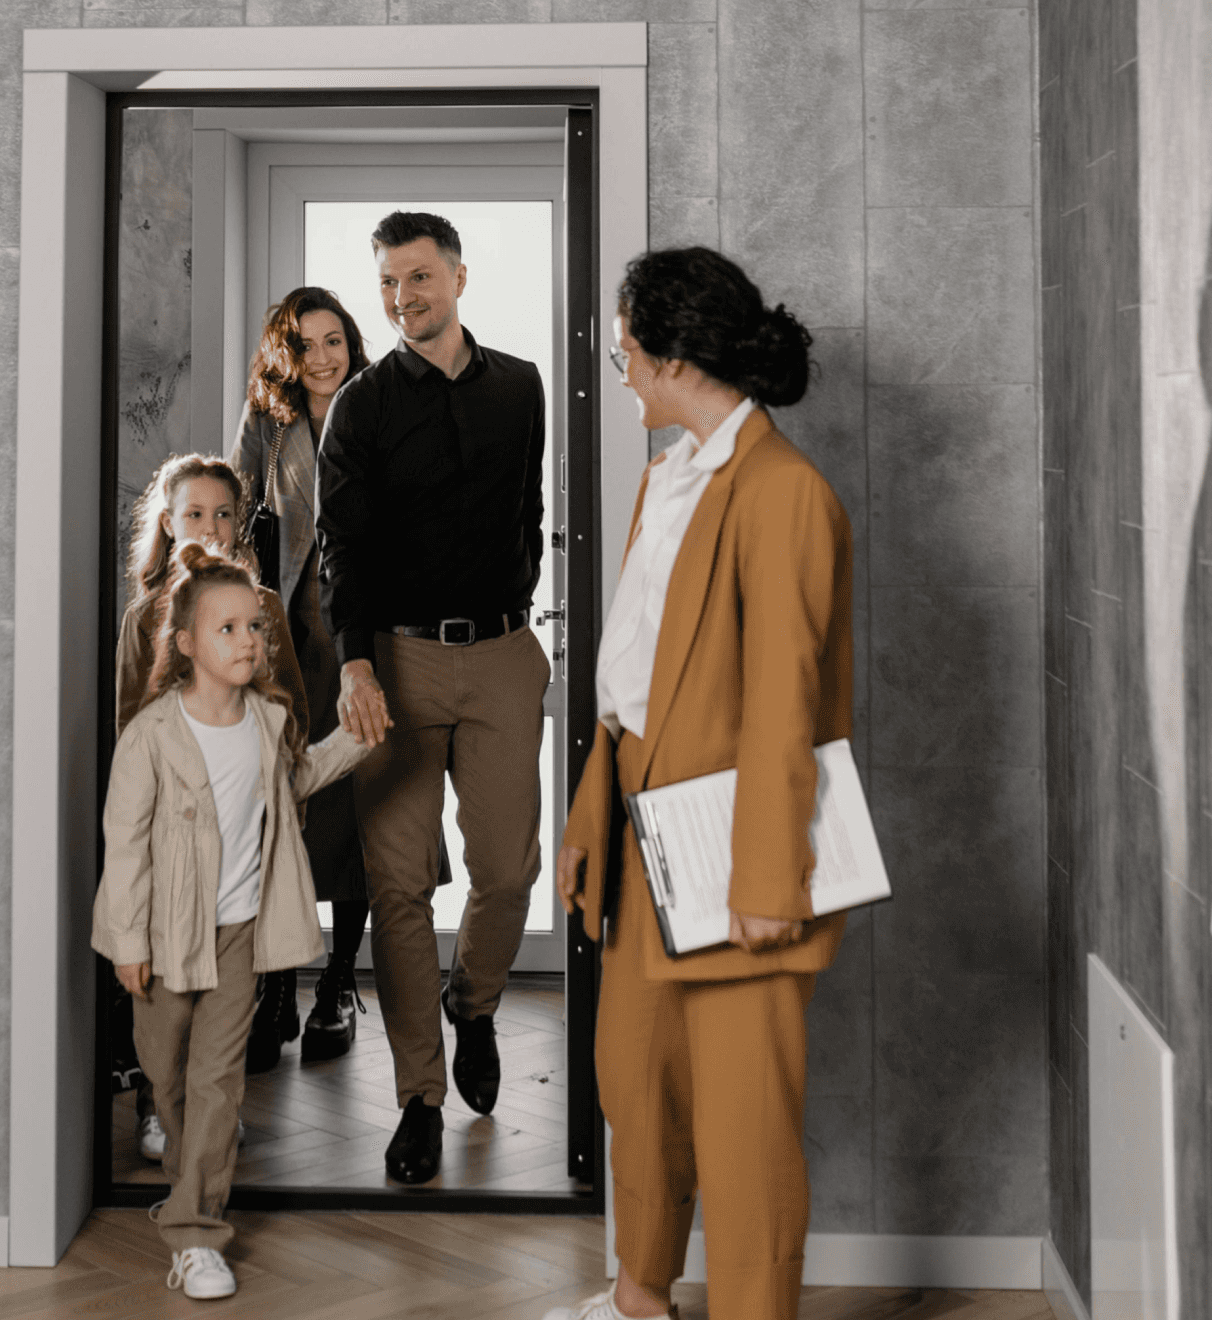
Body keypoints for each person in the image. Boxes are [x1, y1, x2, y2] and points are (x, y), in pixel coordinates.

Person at [548, 247, 849, 1320]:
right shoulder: (665, 476)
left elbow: (785, 703)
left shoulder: (785, 492)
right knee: (637, 1084)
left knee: (742, 1120)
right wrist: (588, 817)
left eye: (625, 347)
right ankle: (639, 1300)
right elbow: (627, 680)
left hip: (733, 848)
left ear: (673, 354)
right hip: (639, 830)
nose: (615, 365)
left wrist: (769, 878)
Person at [316, 211, 551, 1184]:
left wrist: (520, 604)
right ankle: (419, 1094)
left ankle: (477, 1002)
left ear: (456, 275)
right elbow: (343, 549)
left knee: (508, 866)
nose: (401, 297)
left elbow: (530, 509)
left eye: (417, 277)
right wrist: (356, 666)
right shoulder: (361, 408)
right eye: (386, 282)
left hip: (502, 651)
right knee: (401, 884)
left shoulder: (523, 387)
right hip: (396, 666)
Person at [92, 543, 371, 1302]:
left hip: (239, 933)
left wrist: (354, 741)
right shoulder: (151, 736)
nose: (249, 640)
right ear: (185, 644)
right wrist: (127, 943)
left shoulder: (270, 722)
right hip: (161, 940)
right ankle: (189, 1181)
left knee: (218, 1085)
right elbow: (125, 845)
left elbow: (298, 780)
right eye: (228, 628)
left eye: (255, 626)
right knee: (169, 1077)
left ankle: (195, 1233)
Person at [231, 286, 429, 1068]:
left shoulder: (382, 406)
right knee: (283, 809)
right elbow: (237, 520)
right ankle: (277, 986)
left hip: (362, 637)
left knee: (356, 813)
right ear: (285, 351)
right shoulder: (266, 425)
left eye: (335, 340)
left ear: (352, 343)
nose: (322, 357)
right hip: (284, 642)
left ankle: (340, 983)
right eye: (306, 343)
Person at [115, 452, 308, 1158]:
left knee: (230, 995)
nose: (212, 526)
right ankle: (158, 1106)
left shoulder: (267, 613)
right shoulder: (145, 621)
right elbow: (128, 727)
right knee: (170, 993)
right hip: (175, 842)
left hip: (247, 838)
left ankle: (213, 1110)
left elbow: (295, 717)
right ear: (168, 525)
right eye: (195, 514)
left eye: (224, 513)